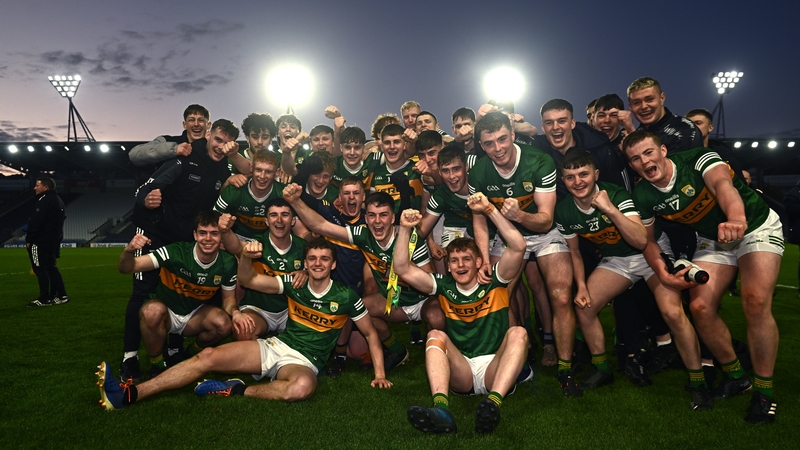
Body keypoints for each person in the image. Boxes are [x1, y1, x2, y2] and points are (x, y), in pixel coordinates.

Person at [96, 238, 392, 410]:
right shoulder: (293, 283)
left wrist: (380, 374)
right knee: (208, 356)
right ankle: (131, 393)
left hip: (304, 361)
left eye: (324, 259)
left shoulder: (346, 296)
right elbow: (249, 280)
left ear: (333, 264)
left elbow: (370, 334)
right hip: (276, 346)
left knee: (302, 388)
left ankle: (233, 389)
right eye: (312, 258)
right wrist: (246, 257)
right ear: (305, 262)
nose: (317, 263)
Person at [623, 130, 782, 423]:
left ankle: (764, 391)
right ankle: (736, 375)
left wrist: (736, 217)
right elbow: (648, 241)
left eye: (648, 152)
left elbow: (723, 185)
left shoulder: (697, 159)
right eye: (635, 158)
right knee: (699, 308)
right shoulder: (643, 194)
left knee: (756, 301)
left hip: (754, 225)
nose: (644, 161)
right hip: (713, 238)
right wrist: (663, 275)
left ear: (663, 150)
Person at [555, 151, 712, 409]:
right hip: (616, 260)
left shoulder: (615, 195)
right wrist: (581, 287)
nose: (578, 182)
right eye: (570, 177)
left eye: (583, 174)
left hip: (648, 254)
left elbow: (641, 240)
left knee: (672, 313)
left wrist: (608, 209)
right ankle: (602, 368)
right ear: (563, 180)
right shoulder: (564, 211)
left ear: (596, 175)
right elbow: (574, 253)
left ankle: (698, 382)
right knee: (584, 306)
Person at [397, 192, 529, 434]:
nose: (461, 265)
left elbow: (519, 245)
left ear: (479, 262)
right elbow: (402, 268)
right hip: (463, 372)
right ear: (448, 266)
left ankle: (492, 405)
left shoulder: (495, 280)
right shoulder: (444, 286)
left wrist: (489, 210)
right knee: (435, 334)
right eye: (455, 261)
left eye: (467, 259)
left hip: (494, 368)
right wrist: (405, 229)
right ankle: (441, 410)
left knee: (518, 332)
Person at [468, 112, 579, 396]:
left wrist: (520, 215)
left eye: (503, 139)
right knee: (497, 296)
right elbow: (479, 219)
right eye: (490, 143)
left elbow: (545, 218)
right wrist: (482, 256)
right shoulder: (479, 171)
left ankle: (565, 366)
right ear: (481, 145)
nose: (498, 148)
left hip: (543, 233)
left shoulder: (539, 161)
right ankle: (516, 354)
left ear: (513, 135)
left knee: (561, 294)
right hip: (505, 237)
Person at [121, 118, 240, 381]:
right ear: (208, 135)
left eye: (226, 143)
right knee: (142, 295)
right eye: (217, 140)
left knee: (197, 293)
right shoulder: (184, 155)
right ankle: (130, 357)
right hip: (158, 236)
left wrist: (234, 178)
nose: (220, 146)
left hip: (190, 241)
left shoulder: (225, 169)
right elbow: (146, 186)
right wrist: (147, 197)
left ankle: (176, 346)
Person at [284, 186, 434, 371]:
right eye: (371, 215)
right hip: (394, 302)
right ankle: (397, 350)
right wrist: (295, 202)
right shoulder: (363, 235)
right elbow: (320, 225)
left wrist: (403, 272)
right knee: (358, 308)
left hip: (421, 301)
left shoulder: (412, 240)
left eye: (383, 215)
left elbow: (430, 285)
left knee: (436, 316)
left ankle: (442, 357)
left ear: (393, 218)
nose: (377, 221)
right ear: (366, 218)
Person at [117, 211, 238, 379]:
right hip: (167, 313)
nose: (208, 238)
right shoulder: (176, 252)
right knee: (151, 311)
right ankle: (157, 365)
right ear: (195, 235)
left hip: (193, 316)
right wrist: (129, 251)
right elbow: (127, 268)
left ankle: (189, 354)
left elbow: (229, 300)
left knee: (224, 324)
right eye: (203, 233)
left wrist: (236, 313)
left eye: (214, 233)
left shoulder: (227, 262)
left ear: (221, 237)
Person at [218, 199, 307, 341]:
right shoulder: (257, 244)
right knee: (243, 331)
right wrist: (225, 231)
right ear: (266, 221)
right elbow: (235, 247)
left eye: (284, 214)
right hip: (259, 309)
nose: (279, 220)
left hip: (290, 310)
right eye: (273, 215)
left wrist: (306, 272)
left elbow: (320, 269)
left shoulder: (303, 247)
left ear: (293, 221)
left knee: (310, 335)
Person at [214, 150, 285, 241]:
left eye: (268, 171)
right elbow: (213, 217)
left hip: (268, 240)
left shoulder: (283, 193)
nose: (262, 176)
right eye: (258, 170)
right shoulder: (235, 190)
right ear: (251, 168)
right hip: (236, 237)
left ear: (277, 172)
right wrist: (221, 223)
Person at [625, 77, 703, 154]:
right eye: (637, 103)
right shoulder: (638, 132)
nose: (643, 106)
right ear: (630, 106)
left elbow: (667, 166)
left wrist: (633, 138)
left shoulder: (685, 129)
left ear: (662, 98)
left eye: (649, 99)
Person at [25, 177, 68, 307]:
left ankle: (44, 298)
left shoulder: (43, 200)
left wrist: (29, 240)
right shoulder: (59, 200)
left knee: (40, 269)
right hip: (52, 241)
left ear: (45, 187)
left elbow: (36, 222)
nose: (34, 188)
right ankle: (61, 295)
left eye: (37, 185)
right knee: (51, 268)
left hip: (40, 241)